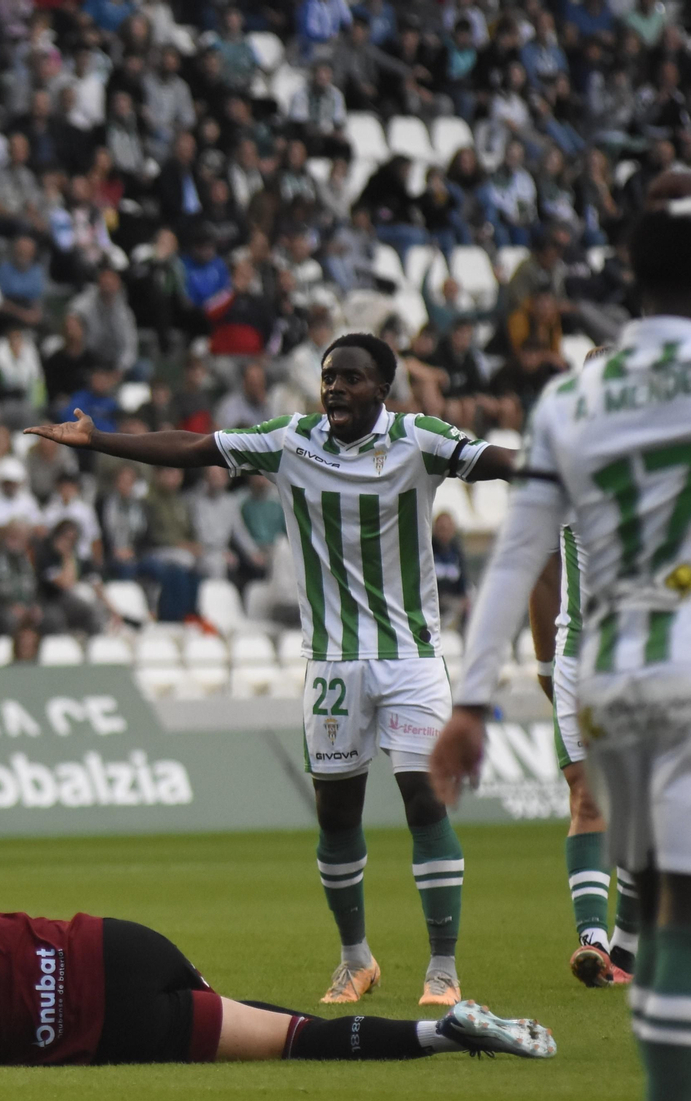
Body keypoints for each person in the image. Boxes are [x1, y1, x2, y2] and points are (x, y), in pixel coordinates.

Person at [28, 333, 519, 1007]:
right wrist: (101, 440)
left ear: (382, 388)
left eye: (351, 377)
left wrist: (574, 469)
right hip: (331, 663)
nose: (336, 388)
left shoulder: (419, 437)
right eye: (328, 377)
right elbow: (196, 446)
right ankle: (356, 959)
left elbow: (499, 461)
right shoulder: (291, 440)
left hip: (410, 656)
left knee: (424, 798)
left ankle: (442, 967)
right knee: (337, 813)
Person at [432, 172, 691, 1101]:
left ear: (628, 276)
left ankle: (622, 963)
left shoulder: (571, 406)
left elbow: (516, 556)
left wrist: (470, 700)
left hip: (610, 666)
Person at [0, 911, 554, 1066]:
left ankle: (440, 1035)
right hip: (115, 944)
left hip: (118, 1026)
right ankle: (444, 1030)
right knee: (269, 1017)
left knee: (291, 1041)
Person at [528, 513, 637, 988]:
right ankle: (593, 943)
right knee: (588, 796)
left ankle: (627, 950)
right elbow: (543, 565)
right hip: (583, 656)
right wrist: (544, 661)